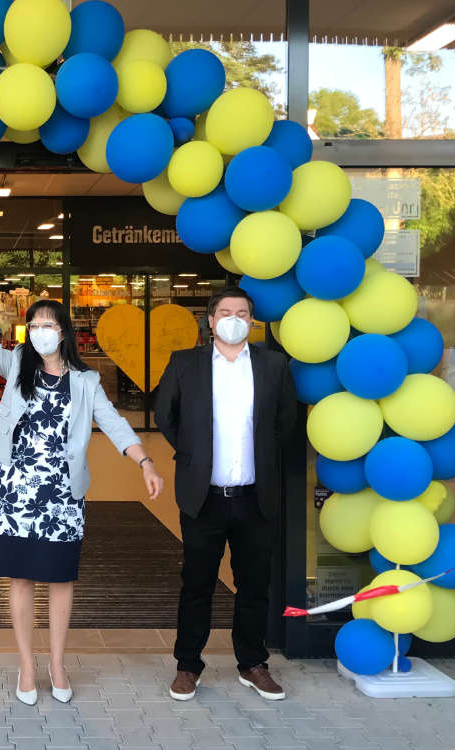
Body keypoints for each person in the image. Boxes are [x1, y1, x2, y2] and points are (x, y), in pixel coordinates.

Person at [0, 275, 163, 706]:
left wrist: (144, 461)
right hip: (17, 492)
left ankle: (57, 664)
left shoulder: (86, 381)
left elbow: (113, 422)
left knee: (60, 579)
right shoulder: (19, 364)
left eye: (48, 324)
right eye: (34, 324)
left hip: (63, 496)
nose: (40, 331)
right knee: (20, 578)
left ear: (63, 332)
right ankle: (26, 664)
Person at [154, 286, 296, 703]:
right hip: (204, 497)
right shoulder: (186, 364)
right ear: (211, 321)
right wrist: (193, 452)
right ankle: (188, 665)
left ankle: (253, 663)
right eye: (225, 312)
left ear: (252, 321)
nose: (234, 319)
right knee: (196, 583)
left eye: (243, 313)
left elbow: (286, 424)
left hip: (256, 496)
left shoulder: (274, 365)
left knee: (254, 584)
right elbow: (166, 414)